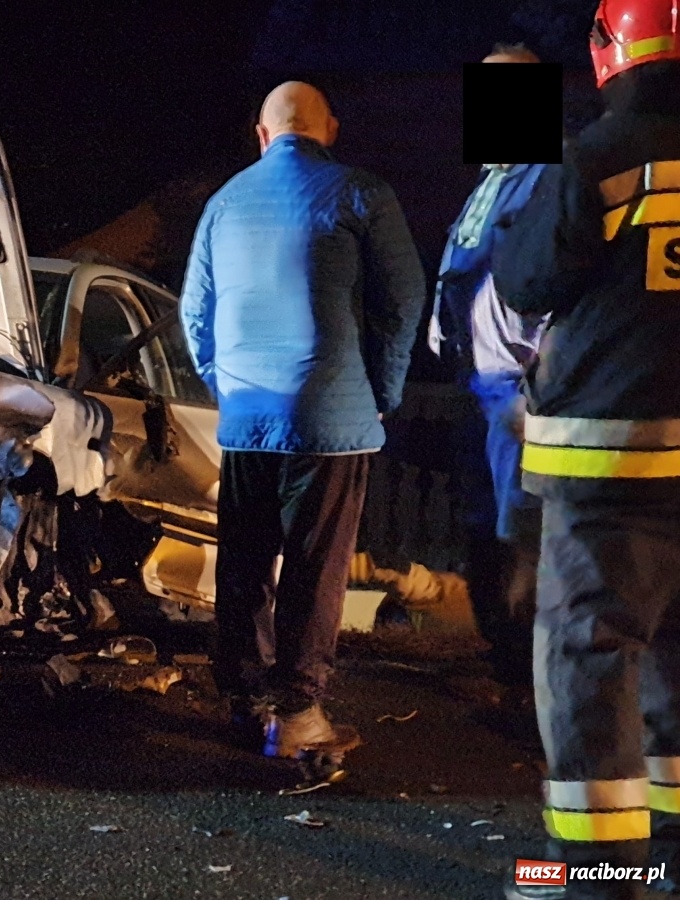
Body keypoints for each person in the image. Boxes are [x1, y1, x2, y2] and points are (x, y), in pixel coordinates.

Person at [491, 1, 680, 897]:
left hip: (612, 462)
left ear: (613, 48)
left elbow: (528, 278)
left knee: (591, 657)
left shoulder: (602, 154)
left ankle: (605, 878)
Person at [180, 81, 426, 764]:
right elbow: (404, 299)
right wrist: (383, 388)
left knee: (245, 560)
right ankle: (298, 714)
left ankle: (241, 698)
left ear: (263, 135)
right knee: (315, 566)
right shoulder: (361, 193)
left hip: (248, 413)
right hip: (330, 413)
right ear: (331, 130)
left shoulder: (223, 203)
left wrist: (228, 387)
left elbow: (195, 313)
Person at [427, 43, 551, 688]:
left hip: (515, 390)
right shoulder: (490, 178)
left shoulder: (546, 176)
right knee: (481, 522)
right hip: (473, 385)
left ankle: (525, 674)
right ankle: (500, 654)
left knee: (516, 530)